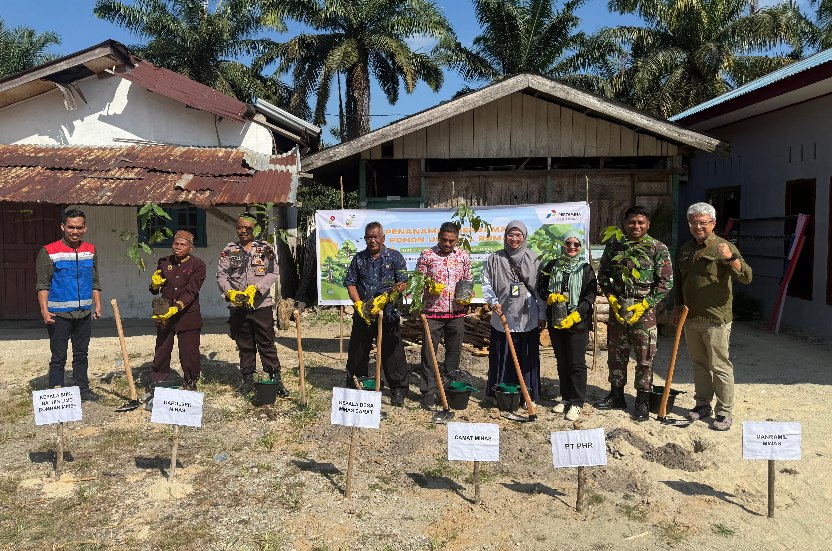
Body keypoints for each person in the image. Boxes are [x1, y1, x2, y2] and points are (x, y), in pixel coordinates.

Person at [675, 202, 752, 431]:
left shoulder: (724, 247)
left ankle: (724, 412)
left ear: (713, 223)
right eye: (693, 222)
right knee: (699, 365)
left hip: (716, 319)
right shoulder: (686, 249)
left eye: (703, 222)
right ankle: (702, 405)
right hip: (691, 317)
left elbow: (747, 277)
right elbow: (680, 282)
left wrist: (730, 257)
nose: (698, 226)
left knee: (719, 366)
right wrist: (677, 306)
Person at [596, 206, 673, 421]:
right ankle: (616, 395)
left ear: (648, 224)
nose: (636, 226)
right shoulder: (615, 246)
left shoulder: (657, 248)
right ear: (625, 223)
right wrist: (611, 297)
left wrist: (646, 303)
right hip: (619, 309)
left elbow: (666, 282)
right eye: (632, 222)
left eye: (641, 222)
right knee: (616, 353)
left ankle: (642, 400)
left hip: (644, 312)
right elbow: (603, 274)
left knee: (645, 356)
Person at [35, 208, 102, 401]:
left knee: (81, 354)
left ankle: (82, 389)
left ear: (85, 228)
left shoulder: (90, 250)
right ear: (63, 227)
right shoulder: (48, 251)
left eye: (79, 227)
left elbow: (95, 281)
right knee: (58, 357)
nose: (75, 231)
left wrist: (97, 304)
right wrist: (44, 310)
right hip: (59, 316)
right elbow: (42, 285)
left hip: (83, 314)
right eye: (71, 227)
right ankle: (57, 395)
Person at [217, 212, 286, 395]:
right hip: (238, 305)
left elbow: (273, 272)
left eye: (247, 228)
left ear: (254, 229)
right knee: (245, 344)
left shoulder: (264, 248)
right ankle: (247, 380)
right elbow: (222, 275)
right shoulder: (229, 249)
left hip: (261, 305)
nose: (243, 231)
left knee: (266, 343)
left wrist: (257, 288)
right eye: (240, 227)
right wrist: (229, 292)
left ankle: (275, 379)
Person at [344, 221, 409, 407]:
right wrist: (358, 304)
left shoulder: (394, 257)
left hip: (388, 314)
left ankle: (398, 389)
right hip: (364, 315)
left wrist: (388, 296)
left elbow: (403, 282)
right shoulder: (359, 259)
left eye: (375, 237)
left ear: (383, 238)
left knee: (393, 353)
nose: (372, 240)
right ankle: (356, 385)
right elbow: (351, 283)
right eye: (368, 237)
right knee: (358, 351)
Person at [482, 220, 546, 404]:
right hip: (502, 314)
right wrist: (493, 301)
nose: (514, 239)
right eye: (511, 234)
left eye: (519, 235)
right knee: (502, 355)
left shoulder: (534, 259)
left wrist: (542, 314)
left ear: (524, 237)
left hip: (527, 315)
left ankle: (527, 395)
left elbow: (540, 290)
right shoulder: (495, 258)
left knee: (526, 356)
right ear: (505, 236)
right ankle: (501, 394)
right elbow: (486, 283)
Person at [537, 231, 597, 421]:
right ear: (562, 245)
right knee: (562, 361)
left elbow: (590, 295)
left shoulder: (586, 269)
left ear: (580, 247)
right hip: (556, 320)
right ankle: (565, 398)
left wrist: (578, 314)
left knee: (576, 363)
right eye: (568, 243)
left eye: (576, 244)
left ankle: (577, 403)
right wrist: (549, 296)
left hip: (577, 322)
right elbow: (541, 287)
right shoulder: (552, 266)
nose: (572, 247)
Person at [415, 221, 474, 409]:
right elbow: (417, 283)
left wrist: (467, 296)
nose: (447, 244)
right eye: (444, 240)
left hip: (456, 313)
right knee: (428, 355)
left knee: (453, 355)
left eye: (451, 241)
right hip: (432, 313)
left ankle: (448, 391)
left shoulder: (463, 256)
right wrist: (427, 288)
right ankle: (428, 393)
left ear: (457, 240)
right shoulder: (427, 255)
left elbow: (468, 280)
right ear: (438, 236)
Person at [148, 230, 206, 398]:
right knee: (162, 349)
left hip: (187, 313)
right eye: (175, 244)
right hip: (163, 311)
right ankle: (158, 381)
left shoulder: (198, 265)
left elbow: (191, 291)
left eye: (182, 244)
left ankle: (190, 381)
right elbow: (155, 289)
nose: (178, 247)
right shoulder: (164, 262)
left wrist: (177, 307)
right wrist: (154, 284)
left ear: (191, 248)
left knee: (189, 351)